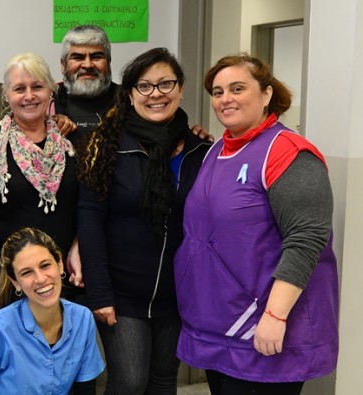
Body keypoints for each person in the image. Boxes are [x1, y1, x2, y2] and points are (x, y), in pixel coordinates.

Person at [174, 54, 338, 395]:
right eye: (217, 92)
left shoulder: (288, 152)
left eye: (237, 88)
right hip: (220, 323)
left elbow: (306, 239)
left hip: (265, 327)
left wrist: (275, 316)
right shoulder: (216, 148)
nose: (225, 99)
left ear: (266, 94)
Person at [75, 48, 212, 394]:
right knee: (130, 382)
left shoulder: (202, 151)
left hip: (178, 294)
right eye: (145, 86)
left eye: (165, 84)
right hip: (123, 294)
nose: (156, 94)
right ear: (131, 93)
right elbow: (89, 221)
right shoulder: (105, 146)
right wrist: (100, 292)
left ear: (181, 89)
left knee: (164, 382)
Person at [0, 53, 82, 317]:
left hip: (63, 274)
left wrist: (79, 246)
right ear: (6, 95)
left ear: (51, 91)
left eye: (37, 87)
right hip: (5, 278)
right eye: (19, 89)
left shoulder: (73, 143)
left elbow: (85, 207)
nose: (29, 96)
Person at [0, 227, 103, 394]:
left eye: (45, 265)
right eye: (26, 272)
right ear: (14, 281)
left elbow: (86, 390)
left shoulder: (82, 318)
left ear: (59, 263)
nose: (40, 279)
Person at [54, 25, 119, 143]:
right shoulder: (48, 103)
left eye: (96, 57)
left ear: (109, 62)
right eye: (78, 57)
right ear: (63, 65)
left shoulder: (130, 99)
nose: (88, 65)